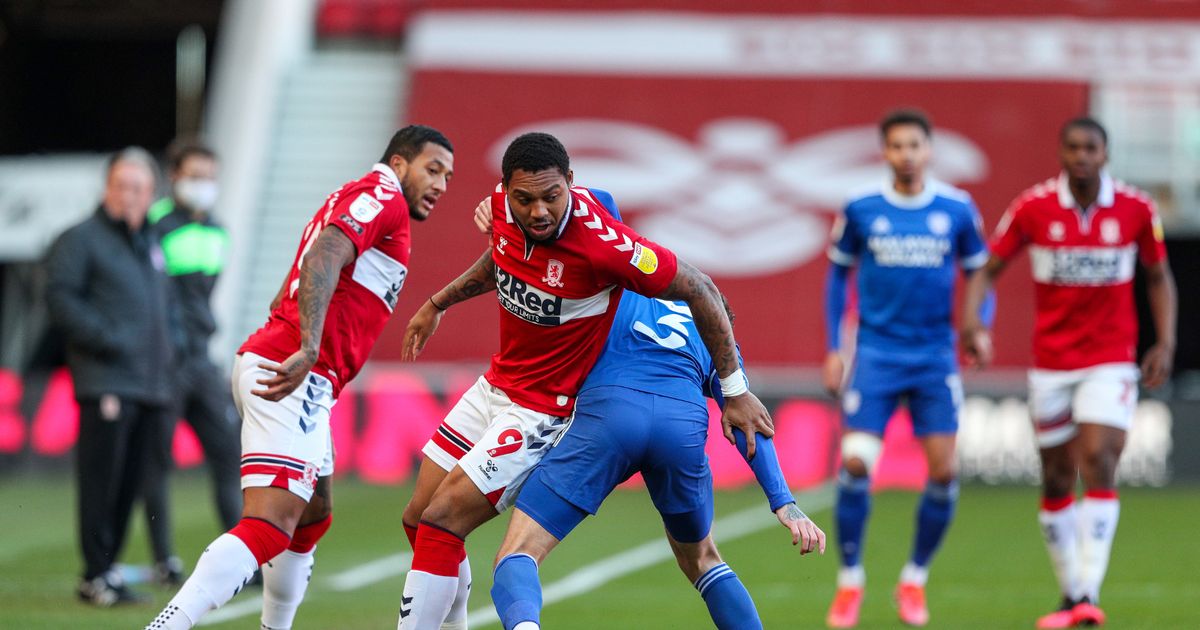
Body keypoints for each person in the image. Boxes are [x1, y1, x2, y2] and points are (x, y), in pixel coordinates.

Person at [396, 132, 773, 630]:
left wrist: (735, 389)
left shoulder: (606, 247)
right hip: (496, 384)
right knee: (418, 518)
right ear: (505, 188)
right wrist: (437, 302)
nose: (539, 212)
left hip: (543, 409)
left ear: (572, 185)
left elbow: (701, 288)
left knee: (444, 520)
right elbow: (504, 259)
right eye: (524, 199)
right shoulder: (502, 211)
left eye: (552, 197)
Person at [145, 125, 454, 630]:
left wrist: (292, 321)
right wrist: (308, 345)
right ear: (399, 165)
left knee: (313, 515)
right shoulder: (384, 197)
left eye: (448, 175)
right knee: (270, 525)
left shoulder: (361, 197)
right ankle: (167, 624)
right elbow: (325, 255)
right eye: (433, 169)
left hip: (300, 374)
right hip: (293, 372)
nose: (441, 184)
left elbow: (314, 266)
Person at [471, 192, 826, 630]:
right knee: (703, 559)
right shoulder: (720, 346)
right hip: (681, 427)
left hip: (610, 416)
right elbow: (750, 424)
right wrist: (784, 503)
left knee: (518, 552)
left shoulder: (621, 284)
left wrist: (502, 203)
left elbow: (594, 201)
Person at [961, 117, 1176, 629]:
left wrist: (1165, 343)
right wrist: (971, 321)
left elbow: (1157, 274)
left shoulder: (1136, 210)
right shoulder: (1033, 208)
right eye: (1073, 148)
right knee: (1057, 474)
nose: (1081, 156)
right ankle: (1070, 596)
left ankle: (1088, 593)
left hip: (1110, 358)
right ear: (1061, 153)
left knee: (1098, 458)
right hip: (1052, 365)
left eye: (1091, 148)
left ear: (1106, 154)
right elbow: (986, 270)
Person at [822, 110, 992, 628]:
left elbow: (980, 272)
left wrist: (978, 325)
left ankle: (914, 577)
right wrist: (835, 347)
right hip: (875, 354)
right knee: (855, 466)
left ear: (929, 150)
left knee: (942, 472)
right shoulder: (861, 207)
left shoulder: (957, 209)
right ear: (885, 153)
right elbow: (836, 279)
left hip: (934, 355)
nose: (907, 154)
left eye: (914, 145)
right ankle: (850, 581)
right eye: (897, 146)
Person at [45, 147, 174, 606]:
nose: (131, 195)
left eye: (140, 187)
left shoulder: (149, 242)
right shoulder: (80, 239)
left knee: (130, 481)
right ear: (107, 189)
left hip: (150, 384)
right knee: (102, 480)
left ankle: (107, 571)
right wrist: (108, 338)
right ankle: (95, 574)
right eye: (123, 185)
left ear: (152, 193)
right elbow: (60, 299)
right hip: (107, 381)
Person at [139, 140, 241, 586]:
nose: (203, 185)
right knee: (157, 461)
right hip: (163, 363)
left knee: (231, 456)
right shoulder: (153, 224)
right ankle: (165, 561)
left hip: (201, 359)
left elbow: (200, 298)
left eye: (209, 177)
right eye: (194, 175)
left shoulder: (218, 231)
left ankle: (240, 557)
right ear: (174, 176)